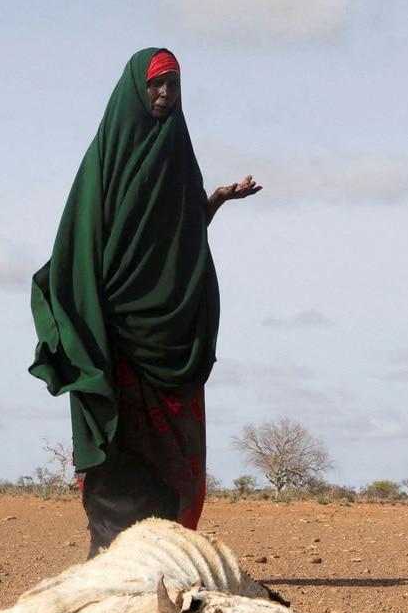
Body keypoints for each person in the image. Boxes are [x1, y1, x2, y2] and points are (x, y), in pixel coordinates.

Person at [30, 48, 259, 556]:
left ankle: (170, 549)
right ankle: (111, 550)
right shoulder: (107, 155)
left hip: (169, 331)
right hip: (117, 331)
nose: (164, 94)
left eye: (172, 85)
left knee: (174, 443)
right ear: (137, 89)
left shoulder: (179, 153)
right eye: (156, 85)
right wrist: (89, 315)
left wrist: (215, 201)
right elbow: (81, 242)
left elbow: (176, 238)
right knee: (121, 440)